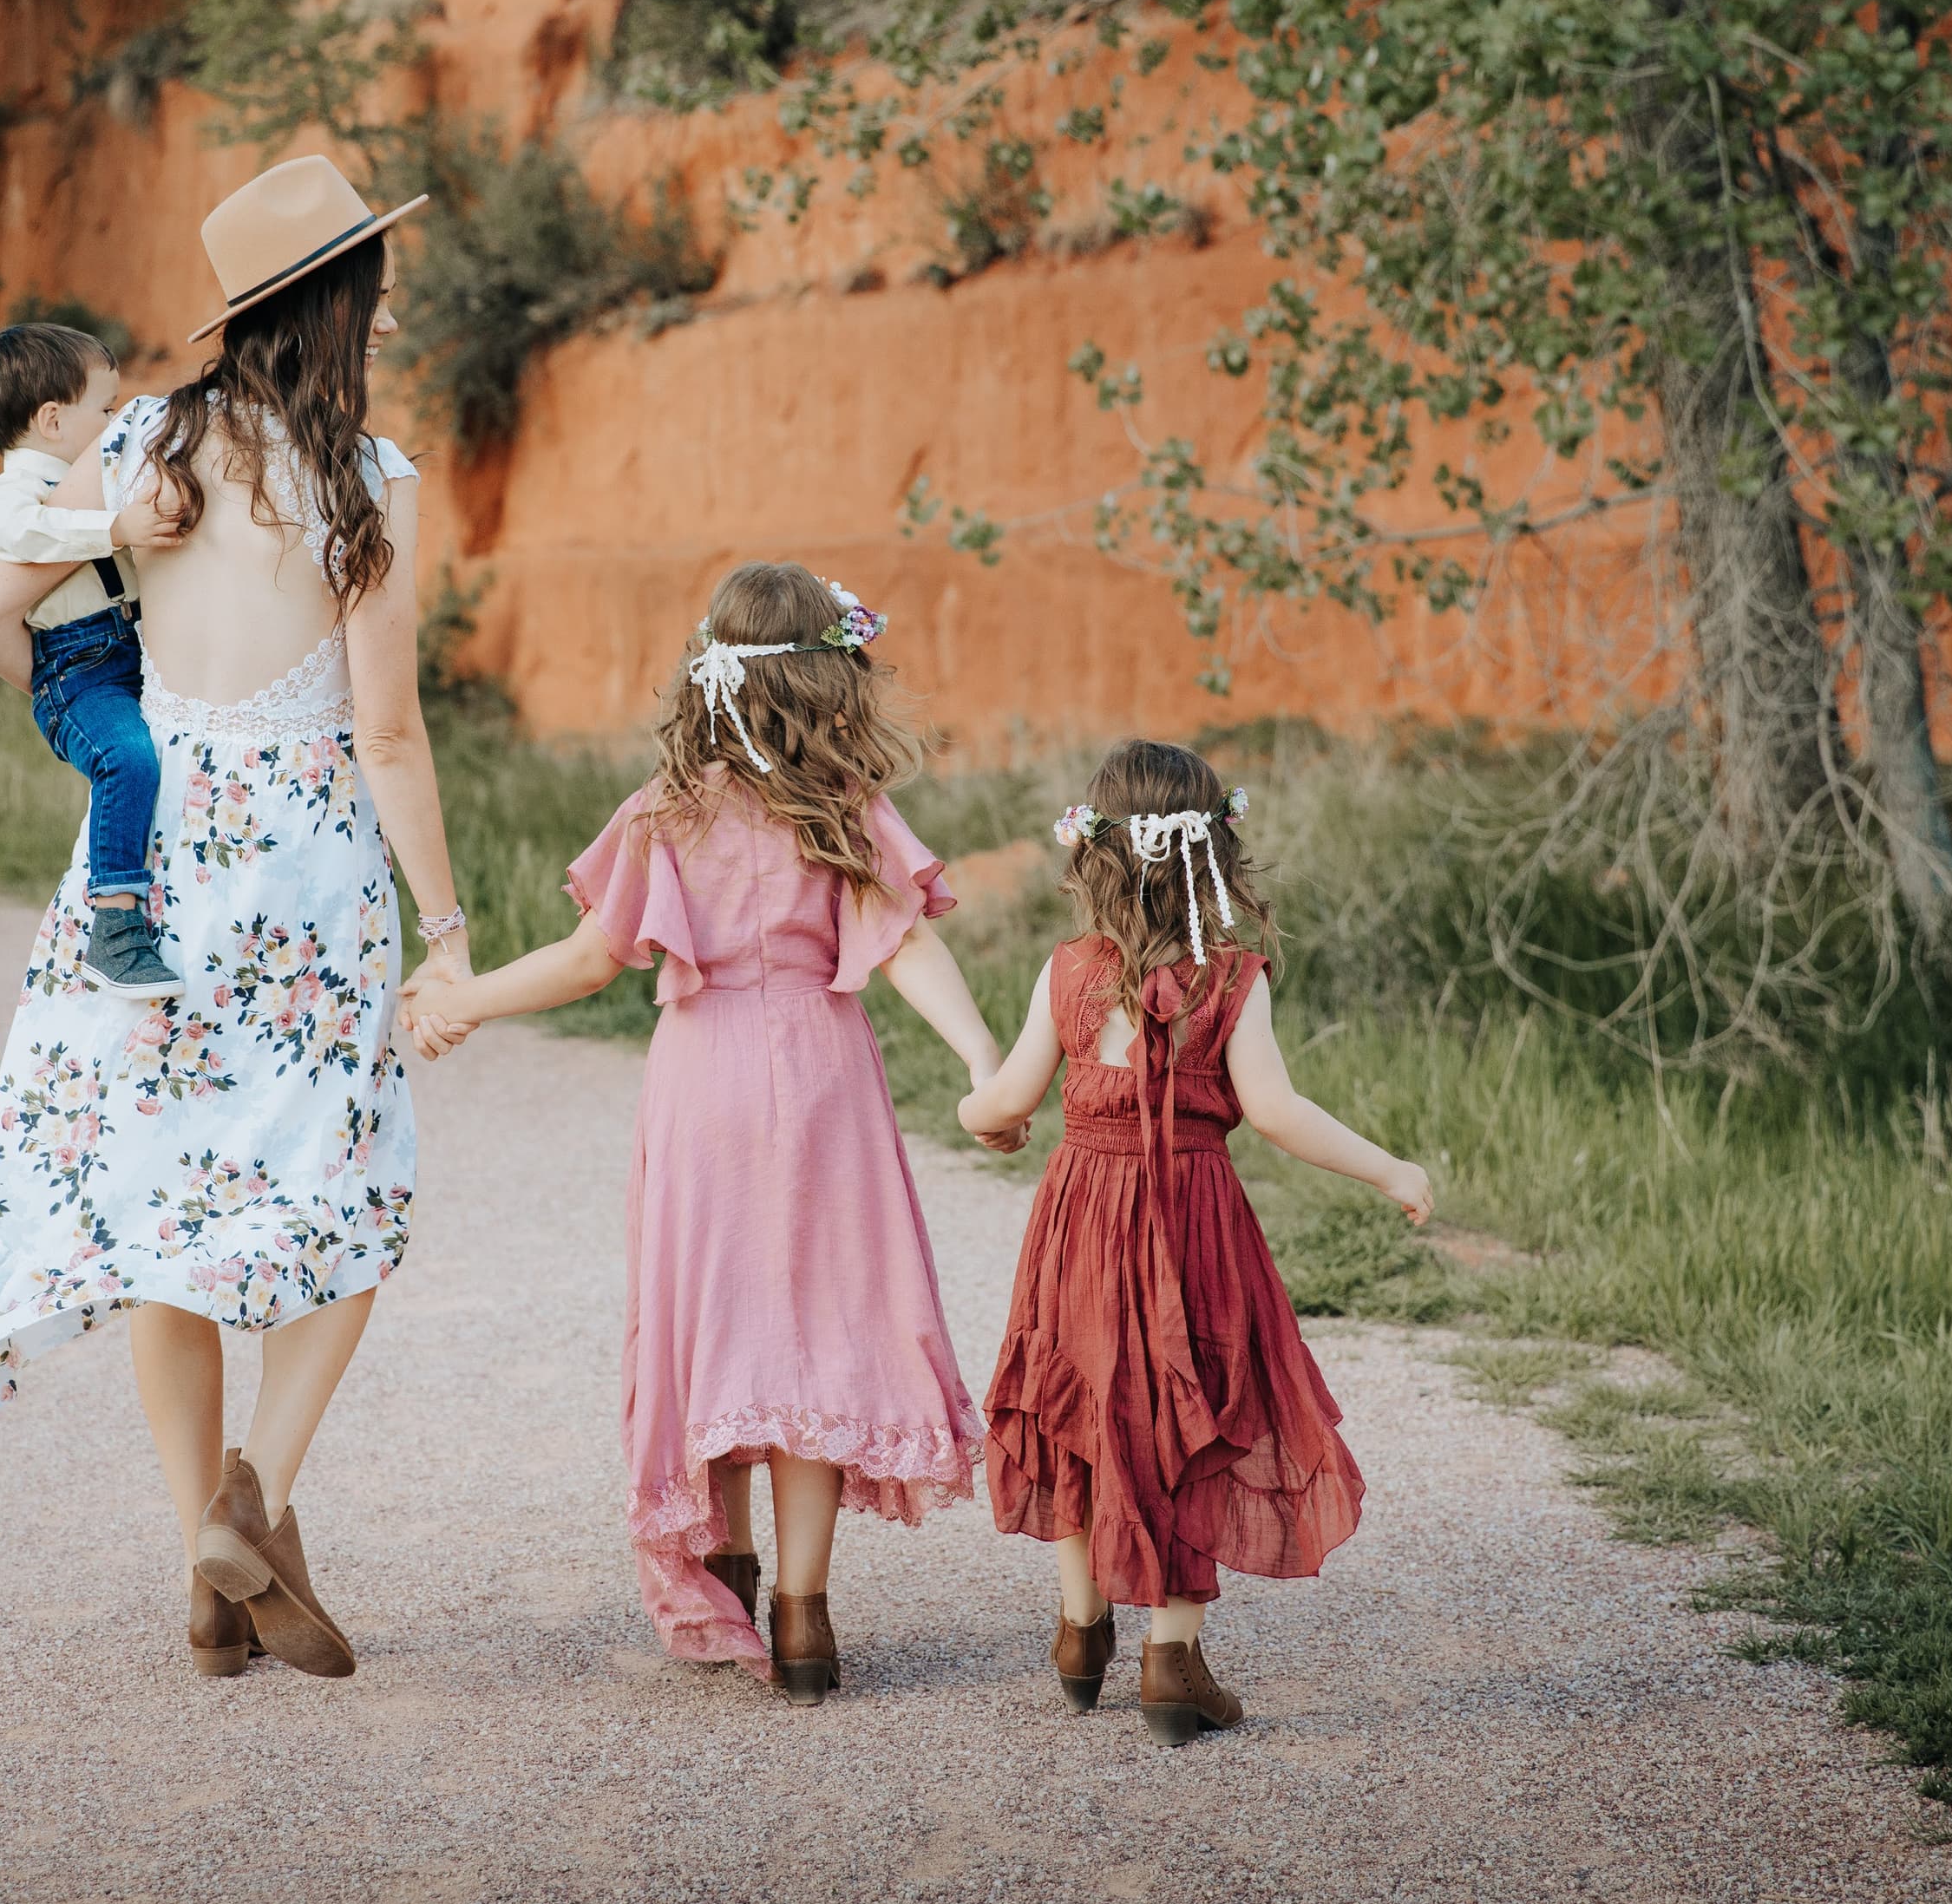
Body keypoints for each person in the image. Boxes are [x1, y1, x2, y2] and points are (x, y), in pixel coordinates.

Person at [0, 158, 466, 1690]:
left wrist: (84, 713)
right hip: (307, 866)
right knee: (351, 1188)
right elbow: (390, 737)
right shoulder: (377, 483)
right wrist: (447, 927)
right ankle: (259, 1499)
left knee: (162, 1211)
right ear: (346, 300)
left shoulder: (137, 443)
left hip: (161, 858)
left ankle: (205, 1567)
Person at [405, 562, 1001, 1703]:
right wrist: (980, 1056)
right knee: (815, 1331)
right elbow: (912, 946)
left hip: (703, 1086)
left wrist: (460, 999)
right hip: (824, 1077)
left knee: (714, 1319)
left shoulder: (665, 814)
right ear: (831, 683)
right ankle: (805, 1614)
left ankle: (724, 1556)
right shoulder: (844, 808)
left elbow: (588, 962)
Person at [957, 738, 1435, 1745]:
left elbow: (1007, 1097)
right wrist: (1389, 1167)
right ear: (1216, 857)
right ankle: (1170, 1662)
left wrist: (979, 1114)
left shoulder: (1071, 974)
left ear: (1097, 853)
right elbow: (1278, 1110)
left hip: (1082, 1219)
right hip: (1193, 1224)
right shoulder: (1234, 980)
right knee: (1192, 1408)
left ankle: (1082, 1627)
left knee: (1081, 1399)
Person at [0, 322, 178, 996]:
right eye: (106, 411)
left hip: (135, 647)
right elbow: (26, 535)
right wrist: (117, 529)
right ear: (53, 420)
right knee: (127, 758)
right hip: (74, 666)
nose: (114, 423)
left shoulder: (101, 489)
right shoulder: (9, 496)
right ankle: (114, 928)